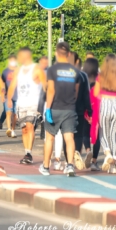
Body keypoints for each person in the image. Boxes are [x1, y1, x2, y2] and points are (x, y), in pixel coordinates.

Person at [39, 42, 80, 176]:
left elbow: (51, 90)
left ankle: (45, 167)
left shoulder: (52, 70)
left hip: (55, 108)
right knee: (69, 138)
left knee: (50, 138)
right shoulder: (75, 71)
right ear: (68, 54)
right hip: (70, 109)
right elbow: (76, 92)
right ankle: (70, 166)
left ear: (56, 54)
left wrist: (48, 108)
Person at [7, 47, 45, 164]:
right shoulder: (18, 70)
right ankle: (26, 151)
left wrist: (46, 102)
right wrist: (9, 98)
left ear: (27, 56)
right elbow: (13, 85)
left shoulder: (37, 69)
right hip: (21, 103)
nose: (19, 58)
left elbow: (46, 85)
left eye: (21, 56)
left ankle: (29, 153)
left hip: (33, 103)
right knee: (24, 129)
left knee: (30, 126)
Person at [62, 51, 92, 170]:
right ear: (77, 62)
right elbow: (86, 95)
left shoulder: (62, 75)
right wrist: (89, 110)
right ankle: (76, 155)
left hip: (65, 109)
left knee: (67, 135)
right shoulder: (83, 75)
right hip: (79, 109)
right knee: (78, 134)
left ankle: (67, 161)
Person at [93, 54, 116, 174]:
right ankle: (114, 161)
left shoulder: (100, 76)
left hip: (105, 104)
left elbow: (96, 93)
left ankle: (107, 153)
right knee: (113, 135)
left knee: (102, 133)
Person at [82, 58, 100, 171]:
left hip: (85, 110)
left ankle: (88, 150)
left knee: (85, 132)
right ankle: (94, 161)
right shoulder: (99, 79)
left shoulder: (83, 78)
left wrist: (86, 114)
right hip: (97, 110)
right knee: (97, 135)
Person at [1, 54, 17, 135]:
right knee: (8, 112)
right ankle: (9, 129)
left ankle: (13, 129)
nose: (13, 62)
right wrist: (2, 95)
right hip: (8, 96)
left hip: (18, 95)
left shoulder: (19, 70)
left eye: (14, 60)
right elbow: (2, 84)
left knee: (15, 114)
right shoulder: (5, 71)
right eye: (11, 60)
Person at [38, 56, 49, 140]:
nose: (45, 64)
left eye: (47, 63)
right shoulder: (36, 70)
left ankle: (43, 132)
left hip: (44, 95)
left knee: (42, 115)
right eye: (44, 63)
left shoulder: (49, 71)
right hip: (35, 95)